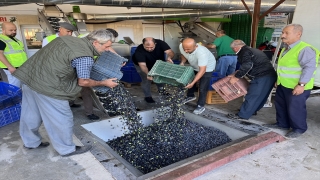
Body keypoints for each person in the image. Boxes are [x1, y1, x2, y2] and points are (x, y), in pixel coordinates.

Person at [13, 29, 119, 157]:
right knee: (61, 119)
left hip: (30, 78)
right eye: (107, 46)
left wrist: (116, 57)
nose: (108, 49)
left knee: (30, 114)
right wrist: (104, 83)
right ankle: (66, 149)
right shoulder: (85, 56)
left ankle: (31, 142)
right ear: (96, 43)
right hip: (49, 86)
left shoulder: (67, 39)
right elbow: (84, 82)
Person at [264, 24, 319, 139]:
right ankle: (282, 124)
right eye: (282, 33)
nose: (282, 35)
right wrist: (278, 80)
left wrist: (301, 85)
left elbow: (309, 68)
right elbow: (284, 67)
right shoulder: (286, 48)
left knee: (295, 108)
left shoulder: (305, 49)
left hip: (297, 86)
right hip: (283, 84)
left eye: (286, 33)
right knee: (281, 105)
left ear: (298, 34)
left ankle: (299, 128)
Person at [42, 22, 101, 120]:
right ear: (60, 29)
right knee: (65, 91)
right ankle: (66, 108)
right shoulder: (48, 40)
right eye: (68, 31)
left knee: (85, 89)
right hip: (62, 71)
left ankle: (89, 112)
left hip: (77, 68)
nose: (70, 34)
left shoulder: (75, 39)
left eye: (71, 32)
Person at [227, 40, 277, 120]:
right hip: (270, 76)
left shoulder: (244, 52)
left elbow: (247, 66)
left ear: (235, 48)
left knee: (252, 96)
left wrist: (236, 77)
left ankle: (242, 115)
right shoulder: (252, 50)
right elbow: (251, 64)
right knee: (261, 96)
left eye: (233, 49)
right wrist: (237, 72)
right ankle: (251, 111)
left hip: (261, 76)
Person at [132, 37, 175, 103]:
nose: (149, 49)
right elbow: (143, 65)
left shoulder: (161, 43)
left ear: (155, 44)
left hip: (156, 63)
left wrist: (169, 57)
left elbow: (170, 52)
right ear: (143, 44)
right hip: (142, 64)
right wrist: (148, 74)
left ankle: (162, 91)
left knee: (159, 76)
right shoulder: (139, 51)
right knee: (146, 79)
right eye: (147, 47)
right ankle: (148, 96)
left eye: (151, 47)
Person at [180, 38, 216, 115]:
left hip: (207, 68)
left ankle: (200, 105)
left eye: (188, 49)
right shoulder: (181, 46)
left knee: (202, 87)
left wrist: (193, 82)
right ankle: (190, 96)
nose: (186, 51)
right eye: (184, 48)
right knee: (189, 79)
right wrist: (182, 62)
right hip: (195, 65)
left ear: (195, 46)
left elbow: (202, 70)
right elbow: (183, 54)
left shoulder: (201, 52)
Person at [0, 22, 28, 87]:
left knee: (23, 86)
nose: (14, 32)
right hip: (11, 69)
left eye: (15, 30)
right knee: (14, 87)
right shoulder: (1, 40)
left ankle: (22, 97)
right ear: (3, 30)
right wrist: (10, 67)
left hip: (20, 67)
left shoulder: (14, 39)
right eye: (11, 30)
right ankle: (14, 97)